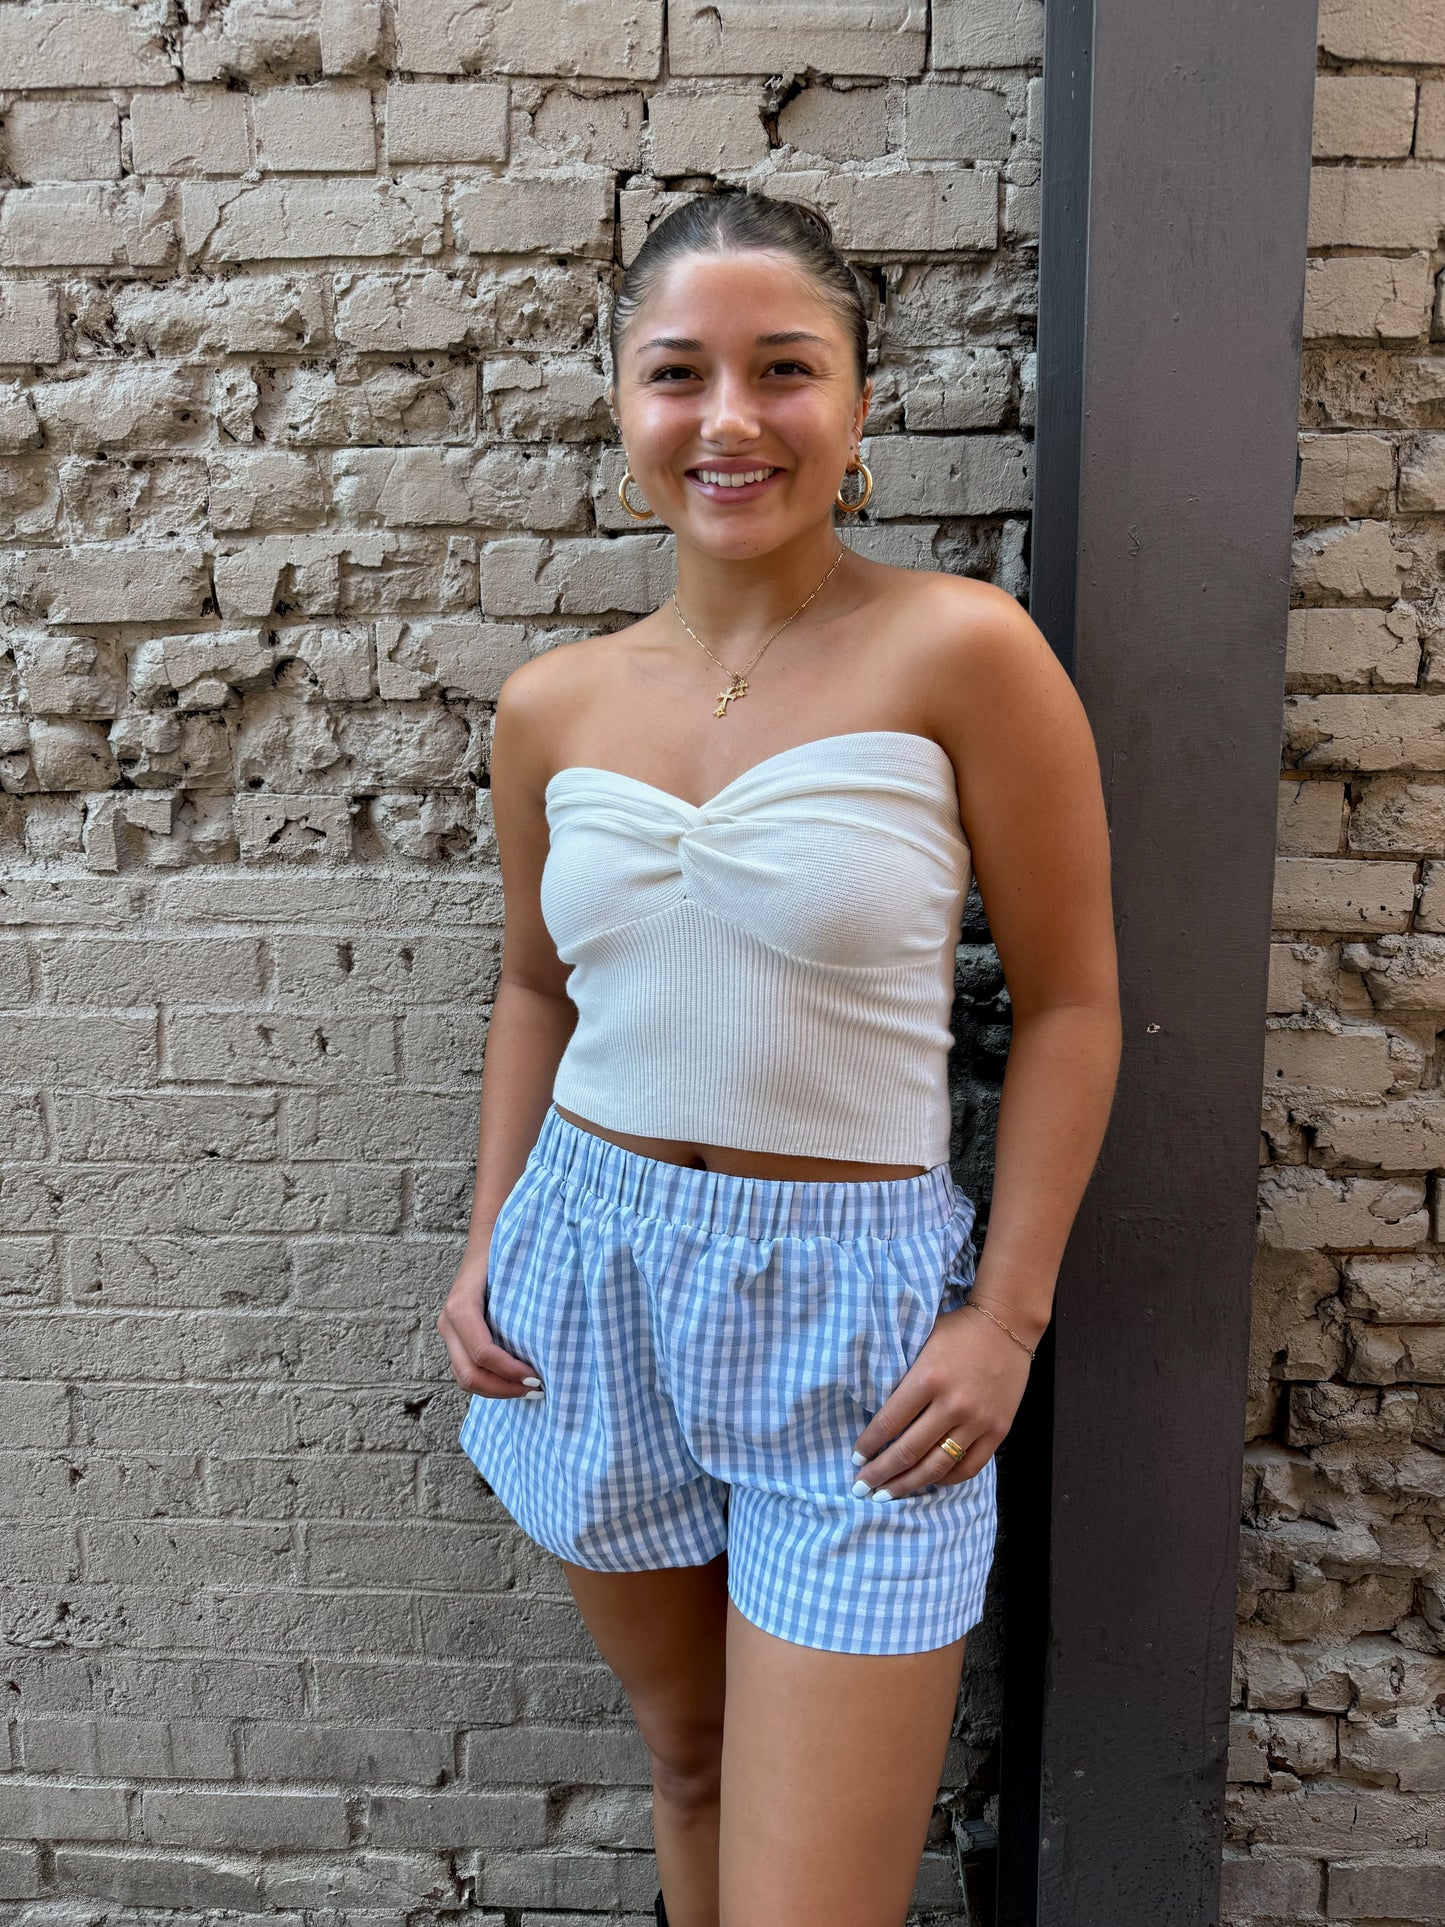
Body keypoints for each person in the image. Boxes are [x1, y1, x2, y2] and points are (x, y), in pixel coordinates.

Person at [437, 190, 1121, 1927]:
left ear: (859, 403)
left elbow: (1070, 1004)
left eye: (782, 369)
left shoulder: (962, 651)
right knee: (688, 1766)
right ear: (622, 405)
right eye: (679, 373)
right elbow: (535, 987)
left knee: (812, 1900)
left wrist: (1005, 1317)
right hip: (587, 1286)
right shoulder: (554, 704)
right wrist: (485, 1238)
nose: (728, 419)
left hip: (859, 1334)